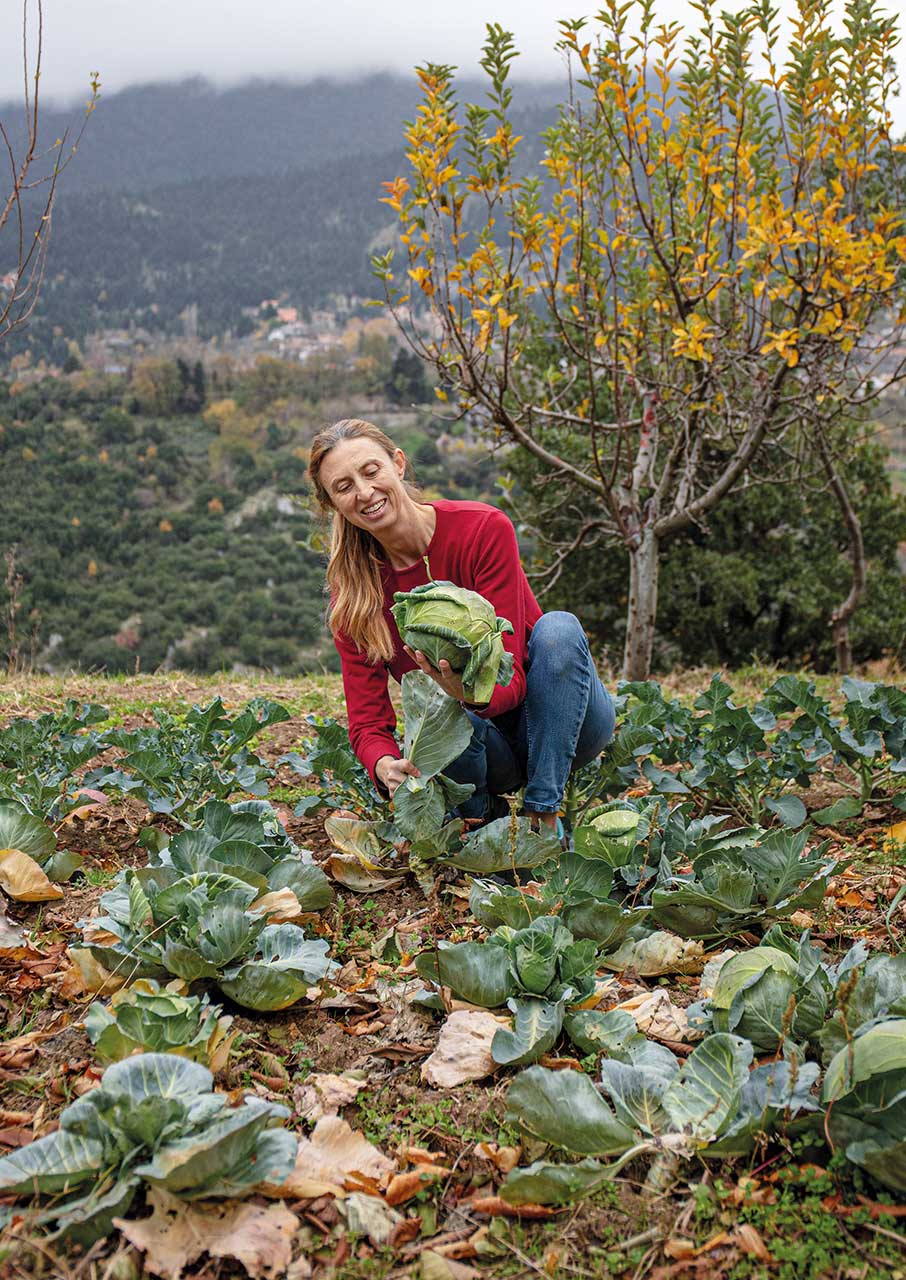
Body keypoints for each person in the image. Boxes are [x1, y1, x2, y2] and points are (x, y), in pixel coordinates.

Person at [307, 417, 615, 832]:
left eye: (371, 471)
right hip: (481, 750)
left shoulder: (482, 529)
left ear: (398, 463)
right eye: (343, 487)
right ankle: (477, 826)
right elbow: (367, 722)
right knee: (442, 711)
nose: (364, 493)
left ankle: (543, 813)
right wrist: (382, 762)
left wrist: (472, 691)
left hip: (565, 721)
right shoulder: (355, 598)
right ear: (332, 504)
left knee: (558, 629)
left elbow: (514, 677)